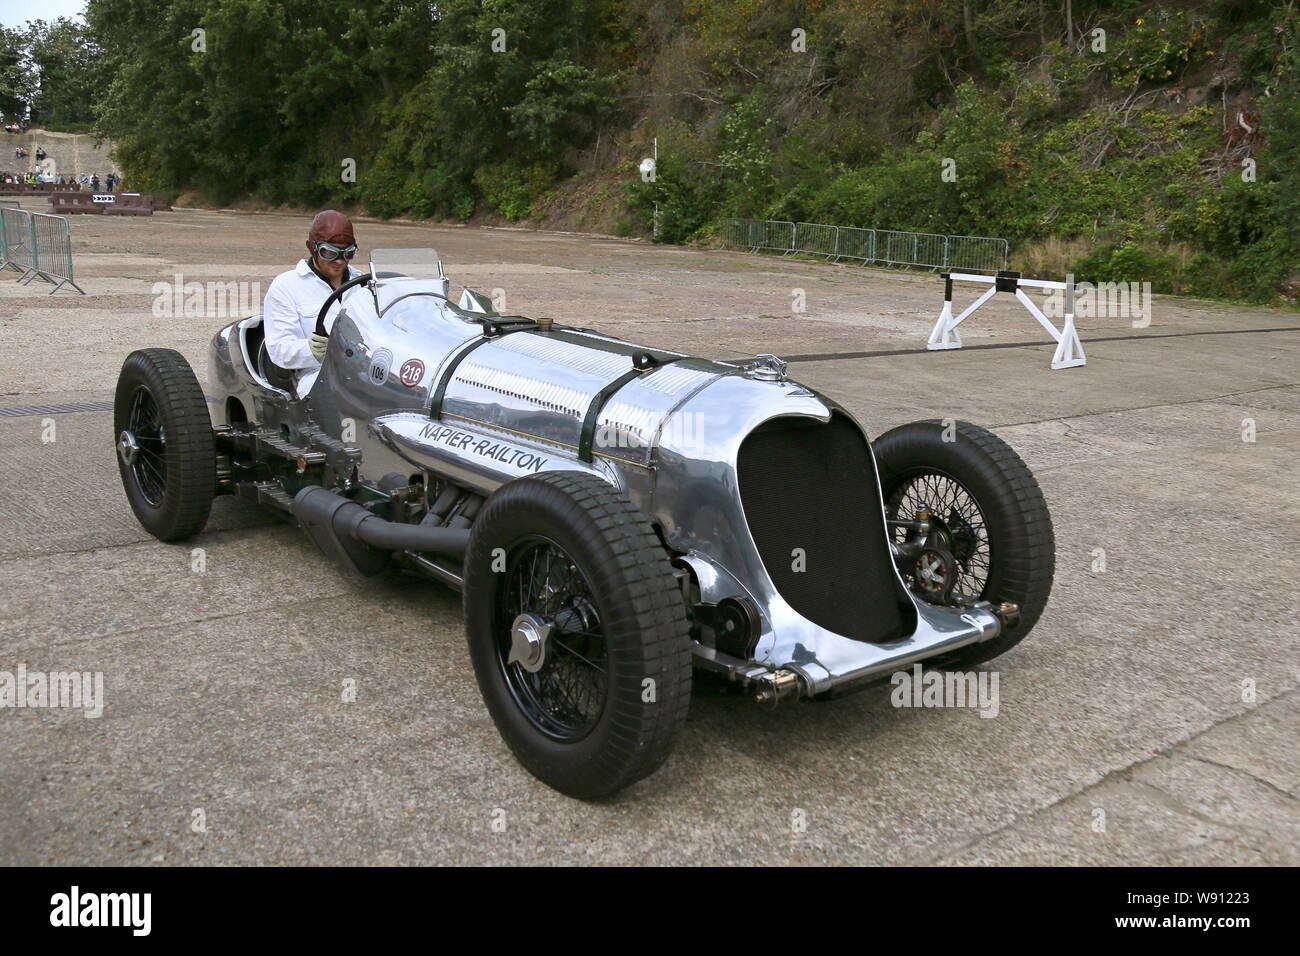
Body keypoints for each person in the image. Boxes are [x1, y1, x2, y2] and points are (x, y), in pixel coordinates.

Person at [262, 210, 363, 397]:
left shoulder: (364, 282)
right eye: (329, 253)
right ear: (312, 248)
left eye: (347, 253)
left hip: (365, 370)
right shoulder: (286, 286)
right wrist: (310, 350)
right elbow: (278, 349)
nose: (340, 261)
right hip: (316, 375)